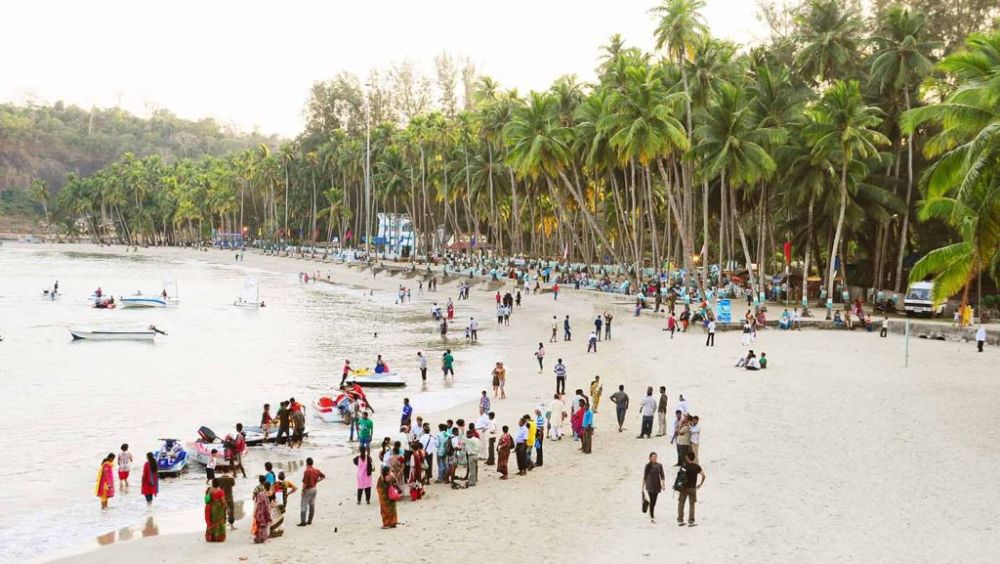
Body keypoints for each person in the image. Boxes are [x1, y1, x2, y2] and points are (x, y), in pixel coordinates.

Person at [677, 451, 706, 526]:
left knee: (681, 503)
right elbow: (703, 475)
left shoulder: (684, 466)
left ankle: (680, 519)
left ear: (687, 457)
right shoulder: (697, 466)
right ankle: (691, 520)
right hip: (692, 488)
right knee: (692, 504)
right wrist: (700, 484)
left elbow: (680, 477)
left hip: (684, 488)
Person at [298, 457, 325, 526]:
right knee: (312, 505)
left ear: (307, 463)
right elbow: (323, 476)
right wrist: (317, 481)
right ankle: (309, 520)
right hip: (314, 488)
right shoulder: (317, 470)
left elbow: (305, 483)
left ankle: (303, 522)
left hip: (308, 489)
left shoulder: (307, 471)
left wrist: (302, 490)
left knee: (303, 505)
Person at [643, 452, 666, 523]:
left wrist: (663, 484)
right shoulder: (647, 466)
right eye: (653, 457)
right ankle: (652, 515)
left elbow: (662, 475)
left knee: (654, 501)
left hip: (657, 484)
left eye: (655, 457)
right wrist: (642, 486)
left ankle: (651, 511)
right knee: (652, 500)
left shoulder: (659, 465)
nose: (654, 458)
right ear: (650, 458)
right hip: (650, 484)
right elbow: (645, 476)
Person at [205, 478, 227, 542]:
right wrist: (225, 506)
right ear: (219, 484)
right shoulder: (221, 492)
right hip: (219, 509)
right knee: (219, 521)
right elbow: (223, 501)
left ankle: (211, 537)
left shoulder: (210, 491)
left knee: (212, 521)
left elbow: (207, 500)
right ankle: (219, 537)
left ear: (212, 483)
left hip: (211, 508)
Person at [250, 476, 271, 543]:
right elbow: (270, 499)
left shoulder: (258, 488)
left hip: (259, 508)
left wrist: (254, 511)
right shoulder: (268, 491)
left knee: (259, 524)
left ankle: (259, 537)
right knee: (265, 525)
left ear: (259, 481)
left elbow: (254, 496)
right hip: (266, 509)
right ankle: (264, 538)